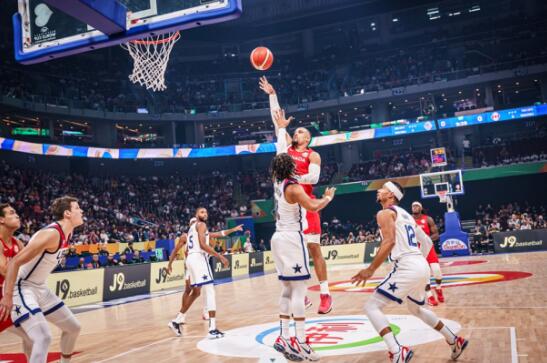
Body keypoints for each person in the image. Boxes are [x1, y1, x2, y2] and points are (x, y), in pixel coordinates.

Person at [351, 182, 468, 362]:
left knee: (371, 306)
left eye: (382, 188)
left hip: (406, 265)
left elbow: (388, 242)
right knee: (417, 309)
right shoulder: (406, 214)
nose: (378, 190)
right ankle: (454, 340)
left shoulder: (384, 213)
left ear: (390, 195)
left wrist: (370, 269)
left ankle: (397, 351)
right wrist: (418, 261)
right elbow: (427, 242)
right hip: (420, 264)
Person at [261, 76, 332, 314]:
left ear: (307, 138)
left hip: (305, 203)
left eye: (300, 131)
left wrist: (290, 180)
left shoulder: (313, 155)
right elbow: (277, 121)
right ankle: (302, 293)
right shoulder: (285, 149)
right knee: (289, 252)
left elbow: (313, 179)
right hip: (287, 205)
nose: (296, 131)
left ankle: (325, 294)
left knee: (314, 250)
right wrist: (272, 95)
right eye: (295, 131)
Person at [269, 152, 336, 362]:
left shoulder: (278, 184)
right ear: (291, 167)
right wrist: (327, 197)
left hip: (277, 237)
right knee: (299, 289)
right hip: (291, 238)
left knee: (287, 289)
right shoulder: (294, 187)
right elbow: (313, 206)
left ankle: (283, 336)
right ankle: (301, 341)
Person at [0, 196, 83, 363]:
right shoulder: (51, 234)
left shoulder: (68, 232)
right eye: (77, 208)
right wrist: (8, 297)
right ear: (67, 213)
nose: (81, 211)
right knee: (43, 337)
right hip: (21, 287)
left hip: (39, 287)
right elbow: (15, 262)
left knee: (73, 328)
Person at [166, 209, 238, 339]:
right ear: (196, 216)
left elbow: (218, 234)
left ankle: (177, 320)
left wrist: (232, 230)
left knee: (197, 292)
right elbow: (203, 245)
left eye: (205, 213)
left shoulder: (192, 229)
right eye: (201, 212)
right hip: (198, 259)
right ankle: (212, 328)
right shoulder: (201, 226)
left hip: (191, 261)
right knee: (209, 291)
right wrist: (220, 256)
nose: (204, 214)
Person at [411, 201, 444, 306]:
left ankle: (438, 288)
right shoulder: (408, 220)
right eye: (413, 206)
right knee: (424, 275)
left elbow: (436, 234)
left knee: (437, 272)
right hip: (417, 250)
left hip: (429, 248)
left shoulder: (428, 219)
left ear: (420, 208)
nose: (414, 207)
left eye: (416, 206)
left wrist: (426, 240)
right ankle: (429, 296)